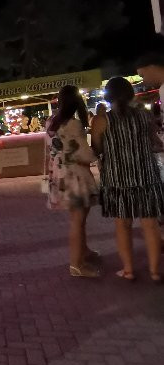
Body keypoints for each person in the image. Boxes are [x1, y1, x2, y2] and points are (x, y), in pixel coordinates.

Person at [91, 76, 164, 282]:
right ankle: (155, 272)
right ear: (131, 94)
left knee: (123, 226)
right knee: (150, 225)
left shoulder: (102, 120)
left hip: (117, 179)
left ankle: (129, 270)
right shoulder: (144, 115)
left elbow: (97, 149)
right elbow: (155, 143)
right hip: (146, 177)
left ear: (108, 97)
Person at [45, 85, 99, 278]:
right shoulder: (73, 124)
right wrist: (96, 151)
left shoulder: (51, 122)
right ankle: (77, 264)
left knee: (78, 219)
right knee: (78, 220)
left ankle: (84, 252)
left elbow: (51, 152)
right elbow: (85, 154)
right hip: (76, 177)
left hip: (59, 176)